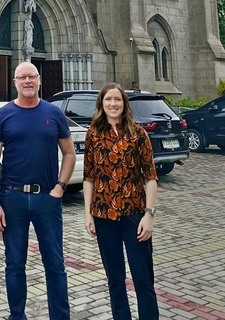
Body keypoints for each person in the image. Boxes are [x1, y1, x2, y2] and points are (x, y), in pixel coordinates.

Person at [0, 62, 76, 320]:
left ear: (39, 80)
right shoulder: (2, 116)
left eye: (32, 76)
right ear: (14, 82)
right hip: (12, 198)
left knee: (56, 265)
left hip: (47, 199)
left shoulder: (54, 113)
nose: (27, 81)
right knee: (14, 264)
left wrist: (60, 187)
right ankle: (17, 316)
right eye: (22, 77)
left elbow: (69, 153)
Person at [83, 83, 159, 319]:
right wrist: (88, 214)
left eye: (117, 99)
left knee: (142, 277)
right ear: (101, 104)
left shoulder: (138, 134)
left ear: (124, 103)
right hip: (104, 215)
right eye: (108, 100)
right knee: (115, 277)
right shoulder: (93, 134)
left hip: (135, 214)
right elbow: (89, 177)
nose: (113, 104)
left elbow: (150, 177)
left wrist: (149, 215)